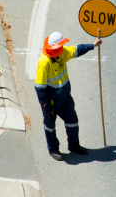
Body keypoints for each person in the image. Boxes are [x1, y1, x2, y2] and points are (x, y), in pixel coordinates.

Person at [34, 32, 102, 161]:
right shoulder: (44, 62)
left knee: (72, 122)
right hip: (51, 102)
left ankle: (74, 145)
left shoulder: (63, 52)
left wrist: (93, 45)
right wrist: (45, 104)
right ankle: (53, 149)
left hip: (66, 99)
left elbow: (77, 49)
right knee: (50, 126)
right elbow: (39, 87)